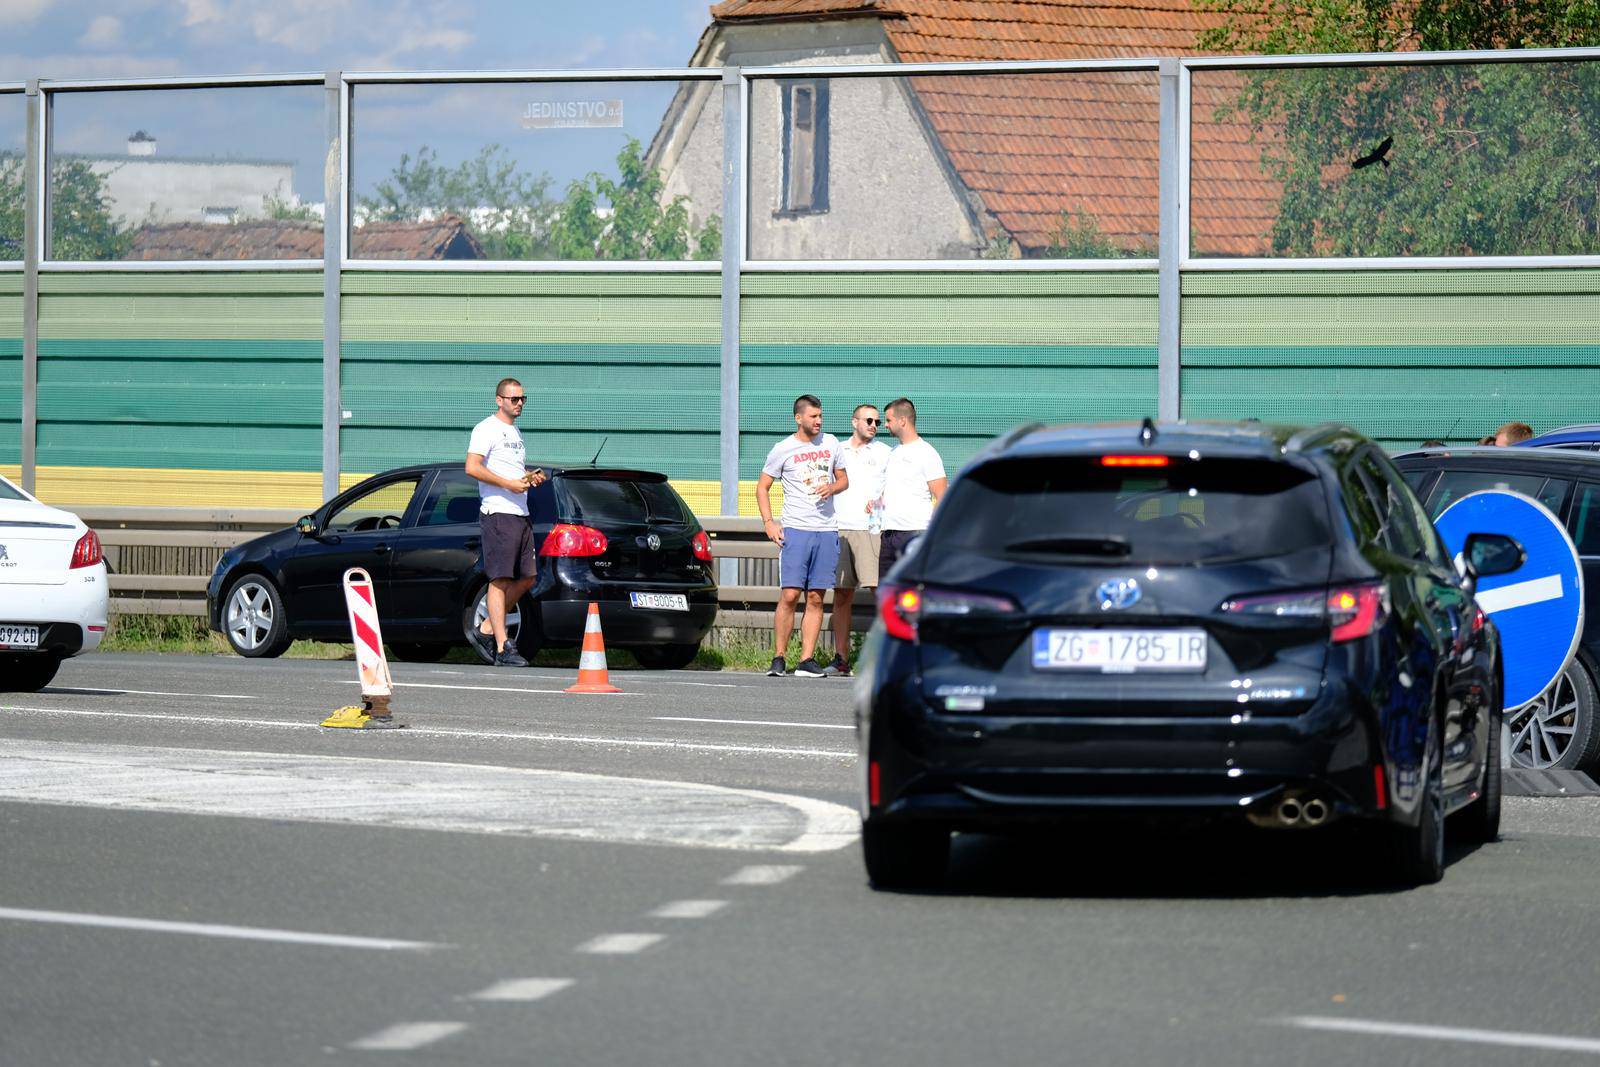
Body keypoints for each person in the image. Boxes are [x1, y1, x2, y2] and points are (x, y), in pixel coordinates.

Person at [757, 394, 849, 679]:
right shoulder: (782, 449)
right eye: (813, 416)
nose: (818, 421)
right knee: (790, 594)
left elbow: (844, 479)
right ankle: (779, 657)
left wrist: (833, 488)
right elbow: (763, 487)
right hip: (796, 529)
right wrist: (769, 523)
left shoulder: (831, 443)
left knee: (816, 597)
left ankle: (806, 659)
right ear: (799, 418)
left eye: (821, 416)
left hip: (826, 529)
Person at [465, 377, 546, 667]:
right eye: (514, 399)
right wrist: (507, 484)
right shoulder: (486, 429)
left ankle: (486, 627)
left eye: (523, 398)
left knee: (528, 577)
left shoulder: (515, 431)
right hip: (498, 512)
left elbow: (510, 470)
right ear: (499, 400)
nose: (520, 403)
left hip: (520, 512)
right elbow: (472, 467)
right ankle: (502, 647)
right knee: (499, 580)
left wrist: (527, 477)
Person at [825, 403, 891, 677]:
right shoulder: (836, 450)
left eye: (877, 422)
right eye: (868, 420)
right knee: (842, 594)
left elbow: (895, 486)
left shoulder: (886, 453)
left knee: (880, 592)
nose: (874, 425)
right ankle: (841, 658)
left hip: (871, 530)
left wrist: (880, 501)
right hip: (840, 528)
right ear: (854, 422)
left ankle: (886, 658)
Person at [877, 397, 947, 574]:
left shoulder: (927, 453)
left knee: (914, 592)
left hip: (914, 533)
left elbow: (942, 495)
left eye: (888, 420)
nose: (885, 425)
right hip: (888, 533)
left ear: (902, 421)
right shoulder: (893, 452)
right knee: (886, 592)